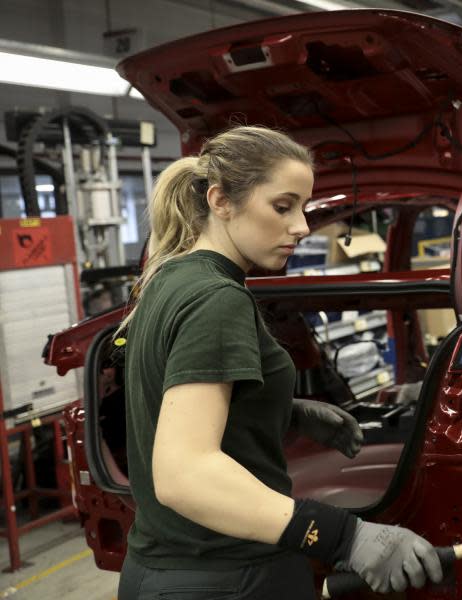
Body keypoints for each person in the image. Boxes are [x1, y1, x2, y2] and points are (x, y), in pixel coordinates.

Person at [116, 126, 443, 599]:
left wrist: (282, 411)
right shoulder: (217, 300)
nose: (303, 227)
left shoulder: (169, 281)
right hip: (227, 578)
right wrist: (344, 536)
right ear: (220, 201)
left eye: (304, 208)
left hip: (160, 570)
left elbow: (174, 406)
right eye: (283, 206)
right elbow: (183, 474)